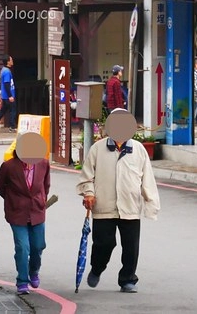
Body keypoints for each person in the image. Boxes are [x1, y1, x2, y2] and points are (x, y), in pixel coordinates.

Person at [77, 109, 160, 293]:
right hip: (104, 205)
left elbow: (147, 180)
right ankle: (97, 268)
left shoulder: (138, 150)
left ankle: (128, 279)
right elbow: (86, 177)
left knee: (131, 246)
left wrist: (151, 204)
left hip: (130, 206)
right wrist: (89, 193)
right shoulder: (97, 149)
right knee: (103, 244)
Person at [0, 132, 51, 294]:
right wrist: (13, 200)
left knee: (38, 246)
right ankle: (22, 281)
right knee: (22, 247)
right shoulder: (9, 166)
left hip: (37, 211)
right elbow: (0, 186)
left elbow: (46, 186)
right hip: (17, 213)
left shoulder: (43, 164)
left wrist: (41, 200)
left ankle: (34, 271)